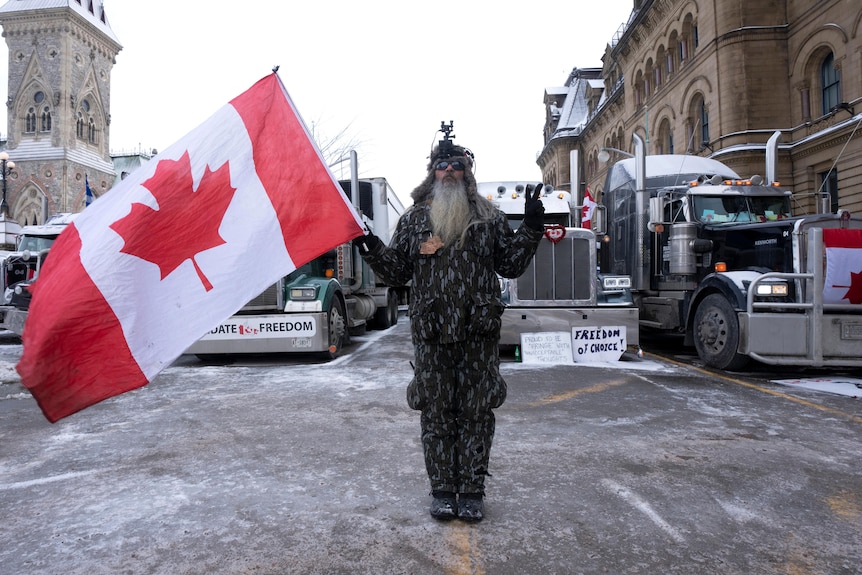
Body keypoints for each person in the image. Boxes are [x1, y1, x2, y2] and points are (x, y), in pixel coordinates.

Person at [353, 142, 545, 521]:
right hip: (432, 333)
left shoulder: (488, 217)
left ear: (467, 173)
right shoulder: (414, 220)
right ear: (433, 173)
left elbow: (509, 265)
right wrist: (370, 245)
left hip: (478, 332)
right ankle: (442, 490)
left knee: (477, 413)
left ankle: (472, 491)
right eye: (443, 165)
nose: (450, 171)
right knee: (436, 413)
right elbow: (396, 272)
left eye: (457, 164)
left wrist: (532, 228)